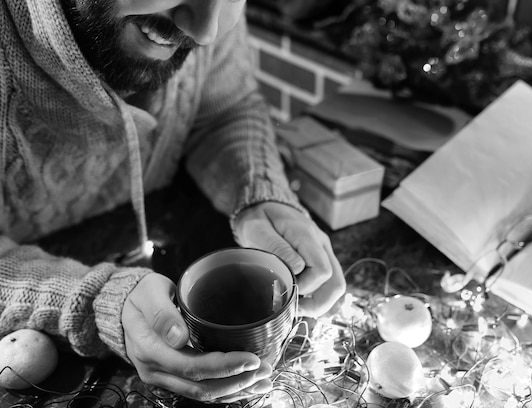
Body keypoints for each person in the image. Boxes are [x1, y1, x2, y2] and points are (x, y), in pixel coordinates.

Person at [0, 0, 346, 402]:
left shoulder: (205, 19)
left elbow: (226, 108)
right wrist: (97, 301)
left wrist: (258, 192)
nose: (207, 32)